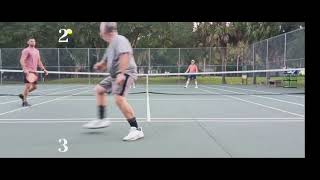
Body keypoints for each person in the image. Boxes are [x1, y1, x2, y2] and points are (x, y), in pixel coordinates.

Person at [82, 22, 144, 141]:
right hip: (114, 75)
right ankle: (101, 120)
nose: (100, 33)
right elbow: (105, 63)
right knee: (99, 90)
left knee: (119, 99)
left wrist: (121, 73)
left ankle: (136, 129)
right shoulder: (111, 45)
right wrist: (100, 65)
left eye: (101, 30)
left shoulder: (120, 39)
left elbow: (125, 55)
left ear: (106, 32)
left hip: (125, 73)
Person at [19, 38, 48, 107]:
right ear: (28, 42)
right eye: (31, 41)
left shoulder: (37, 51)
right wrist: (25, 69)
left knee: (35, 87)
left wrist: (44, 69)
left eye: (34, 41)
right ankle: (24, 101)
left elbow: (39, 61)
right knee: (28, 86)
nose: (33, 42)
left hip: (34, 71)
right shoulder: (26, 50)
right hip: (28, 71)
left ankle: (23, 95)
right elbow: (22, 60)